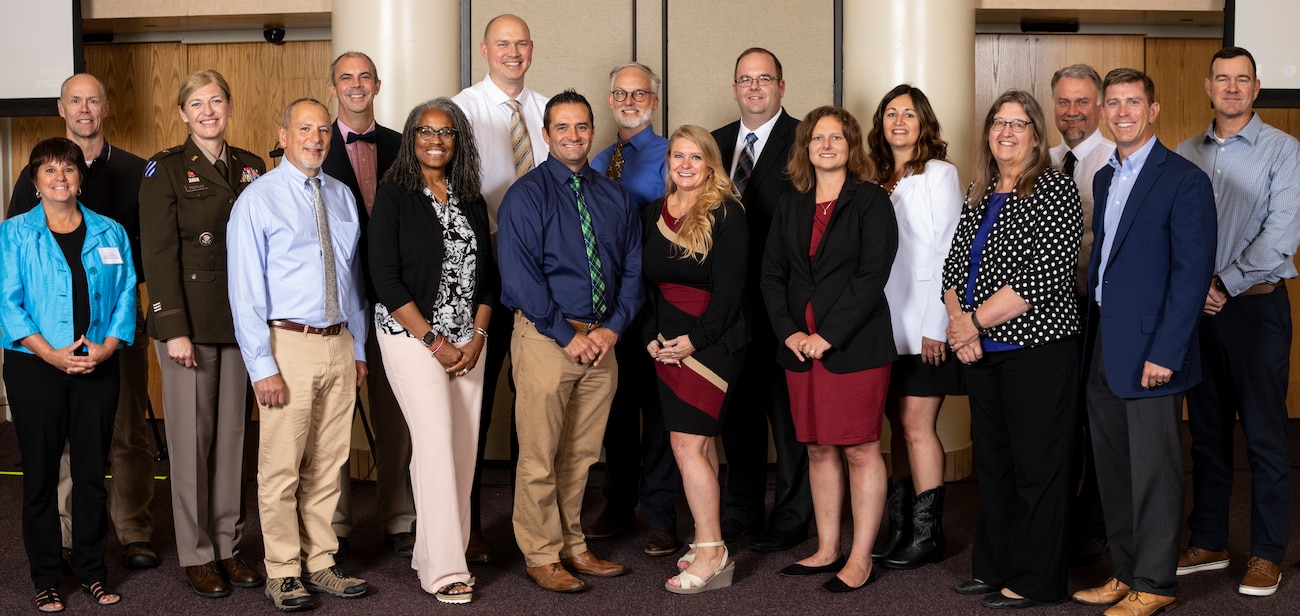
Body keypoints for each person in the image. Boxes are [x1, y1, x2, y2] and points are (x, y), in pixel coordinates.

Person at [1070, 68, 1216, 616]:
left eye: (1134, 102)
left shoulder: (1184, 180)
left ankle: (1154, 583)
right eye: (1114, 103)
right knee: (1112, 467)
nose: (1123, 111)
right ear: (1104, 112)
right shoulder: (1107, 177)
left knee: (1154, 470)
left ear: (1153, 110)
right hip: (1105, 339)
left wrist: (1167, 352)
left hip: (1154, 348)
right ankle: (1127, 572)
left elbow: (1191, 274)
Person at [6, 73, 158, 573]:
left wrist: (114, 338)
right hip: (49, 343)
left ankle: (134, 529)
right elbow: (15, 272)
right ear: (62, 107)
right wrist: (49, 349)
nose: (85, 108)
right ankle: (68, 535)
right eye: (76, 100)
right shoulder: (34, 180)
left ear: (106, 106)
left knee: (129, 433)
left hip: (115, 332)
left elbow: (143, 259)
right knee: (66, 444)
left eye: (94, 99)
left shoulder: (137, 171)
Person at [227, 98, 370, 612]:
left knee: (329, 463)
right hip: (286, 345)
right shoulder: (258, 199)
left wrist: (358, 346)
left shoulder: (341, 197)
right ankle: (283, 569)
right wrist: (261, 366)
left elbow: (351, 277)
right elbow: (245, 293)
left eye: (323, 130)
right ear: (282, 132)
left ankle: (321, 561)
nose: (315, 138)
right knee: (282, 466)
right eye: (304, 128)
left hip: (338, 342)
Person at [496, 89, 642, 593]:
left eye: (581, 127)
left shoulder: (615, 196)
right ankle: (540, 553)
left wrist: (611, 328)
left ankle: (572, 544)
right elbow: (519, 278)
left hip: (602, 341)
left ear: (591, 132)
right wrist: (565, 335)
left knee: (581, 454)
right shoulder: (526, 195)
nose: (574, 136)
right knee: (540, 453)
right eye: (563, 128)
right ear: (546, 134)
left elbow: (633, 271)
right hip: (545, 338)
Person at [944, 90, 1082, 609]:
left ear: (1035, 134)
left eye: (1019, 124)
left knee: (1037, 469)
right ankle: (994, 567)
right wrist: (962, 327)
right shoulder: (979, 191)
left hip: (1037, 351)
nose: (1006, 132)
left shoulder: (1054, 189)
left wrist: (971, 325)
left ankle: (1036, 579)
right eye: (999, 122)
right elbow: (954, 267)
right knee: (995, 466)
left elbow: (1041, 278)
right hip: (982, 352)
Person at [1176, 46, 1300, 599]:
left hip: (1254, 309)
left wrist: (1223, 284)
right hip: (1198, 314)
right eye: (1222, 78)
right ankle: (1209, 540)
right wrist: (1193, 292)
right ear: (1208, 86)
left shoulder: (1284, 150)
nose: (1231, 87)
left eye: (1241, 79)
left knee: (1266, 437)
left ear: (1255, 88)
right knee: (1205, 434)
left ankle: (1268, 554)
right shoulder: (1183, 153)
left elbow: (1281, 235)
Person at [138, 69, 266, 599]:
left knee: (233, 442)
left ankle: (227, 545)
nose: (208, 111)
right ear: (184, 113)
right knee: (191, 443)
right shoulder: (164, 170)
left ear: (229, 107)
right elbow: (160, 255)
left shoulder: (253, 167)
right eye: (197, 103)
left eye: (216, 101)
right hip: (189, 326)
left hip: (242, 326)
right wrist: (173, 330)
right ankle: (196, 553)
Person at [368, 97, 497, 605]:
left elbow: (490, 277)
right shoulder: (395, 194)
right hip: (411, 337)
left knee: (463, 451)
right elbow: (385, 279)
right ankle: (444, 571)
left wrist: (478, 337)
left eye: (446, 133)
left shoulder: (471, 198)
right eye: (426, 131)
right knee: (437, 440)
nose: (436, 140)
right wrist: (434, 342)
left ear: (458, 140)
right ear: (411, 138)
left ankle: (439, 550)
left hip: (469, 341)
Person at [763, 106, 898, 593]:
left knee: (860, 449)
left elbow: (871, 275)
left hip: (855, 345)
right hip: (799, 347)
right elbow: (772, 275)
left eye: (836, 137)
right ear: (805, 147)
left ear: (851, 145)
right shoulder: (790, 203)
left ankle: (860, 558)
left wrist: (828, 335)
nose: (826, 145)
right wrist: (790, 333)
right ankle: (826, 548)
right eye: (817, 137)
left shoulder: (871, 201)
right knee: (818, 448)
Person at [1, 137, 137, 611]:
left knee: (91, 475)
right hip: (34, 369)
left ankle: (94, 570)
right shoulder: (13, 233)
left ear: (80, 177)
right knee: (38, 474)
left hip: (98, 366)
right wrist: (52, 356)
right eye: (49, 171)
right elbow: (9, 306)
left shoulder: (111, 232)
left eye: (69, 169)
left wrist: (106, 349)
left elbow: (125, 299)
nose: (60, 178)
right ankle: (45, 576)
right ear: (35, 182)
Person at [451, 14, 549, 564]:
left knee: (531, 407)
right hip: (482, 271)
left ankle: (527, 525)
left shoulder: (543, 112)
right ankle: (466, 527)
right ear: (485, 50)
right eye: (503, 44)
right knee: (477, 406)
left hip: (538, 274)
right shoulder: (462, 110)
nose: (513, 53)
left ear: (531, 50)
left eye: (521, 44)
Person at [711, 46, 812, 553]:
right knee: (738, 415)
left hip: (787, 305)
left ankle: (794, 516)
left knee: (790, 418)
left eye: (764, 79)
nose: (754, 88)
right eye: (745, 79)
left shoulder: (805, 141)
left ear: (781, 87)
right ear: (734, 88)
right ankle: (741, 512)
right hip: (730, 310)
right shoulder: (716, 143)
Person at [641, 125, 748, 594]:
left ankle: (711, 550)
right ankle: (708, 540)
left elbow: (729, 294)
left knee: (687, 447)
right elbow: (647, 287)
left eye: (695, 158)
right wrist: (651, 337)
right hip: (667, 343)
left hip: (711, 346)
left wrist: (694, 341)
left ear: (710, 165)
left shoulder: (727, 212)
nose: (685, 165)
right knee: (696, 446)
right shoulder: (652, 212)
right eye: (677, 156)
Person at [319, 50, 414, 559]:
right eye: (345, 78)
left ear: (377, 84)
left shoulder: (404, 145)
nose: (355, 85)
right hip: (334, 306)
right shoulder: (314, 145)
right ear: (333, 86)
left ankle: (399, 516)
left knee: (395, 414)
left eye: (364, 77)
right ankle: (335, 524)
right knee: (335, 419)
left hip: (393, 303)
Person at [585, 62, 681, 557]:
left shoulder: (673, 157)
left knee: (661, 412)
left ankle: (663, 515)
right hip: (610, 307)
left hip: (658, 303)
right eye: (620, 93)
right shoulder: (596, 160)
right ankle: (618, 505)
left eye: (638, 93)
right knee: (616, 410)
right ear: (609, 100)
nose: (628, 100)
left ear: (654, 101)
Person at [865, 84, 962, 570]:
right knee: (894, 428)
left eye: (908, 113)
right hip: (879, 324)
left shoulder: (939, 174)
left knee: (916, 425)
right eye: (890, 113)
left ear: (923, 121)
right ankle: (901, 526)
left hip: (923, 321)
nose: (898, 121)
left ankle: (928, 534)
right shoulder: (873, 176)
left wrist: (937, 324)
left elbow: (949, 249)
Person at [1049, 63, 1115, 566]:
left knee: (1098, 420)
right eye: (1063, 103)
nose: (1072, 112)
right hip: (1049, 311)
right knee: (1061, 418)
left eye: (1082, 102)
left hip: (1097, 308)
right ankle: (1061, 521)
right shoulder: (1042, 160)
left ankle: (1095, 525)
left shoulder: (1117, 160)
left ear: (1099, 106)